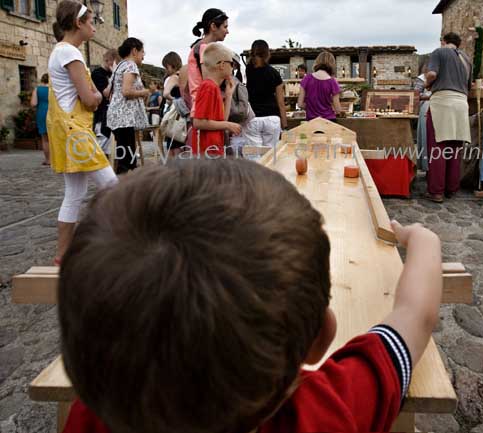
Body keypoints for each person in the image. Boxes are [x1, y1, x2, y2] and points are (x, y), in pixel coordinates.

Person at [57, 158, 443, 433]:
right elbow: (414, 315)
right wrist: (423, 239)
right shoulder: (327, 414)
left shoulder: (96, 411)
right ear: (320, 338)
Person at [47, 0, 117, 265]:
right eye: (91, 23)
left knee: (74, 194)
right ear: (78, 23)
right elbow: (89, 99)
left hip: (66, 130)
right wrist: (99, 95)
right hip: (76, 131)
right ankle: (124, 245)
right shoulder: (71, 54)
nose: (94, 28)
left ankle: (63, 255)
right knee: (113, 187)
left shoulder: (58, 51)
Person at [425, 32, 472, 203]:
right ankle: (451, 188)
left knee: (438, 147)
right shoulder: (466, 59)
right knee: (454, 147)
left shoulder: (439, 51)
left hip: (443, 102)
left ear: (444, 42)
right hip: (461, 103)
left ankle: (437, 191)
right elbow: (469, 86)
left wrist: (426, 85)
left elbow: (432, 74)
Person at [107, 37, 149, 174]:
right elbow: (126, 91)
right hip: (124, 117)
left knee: (124, 155)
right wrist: (144, 92)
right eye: (142, 52)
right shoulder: (131, 65)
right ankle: (126, 188)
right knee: (127, 160)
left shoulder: (120, 66)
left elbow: (108, 91)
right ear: (134, 51)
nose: (144, 55)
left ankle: (124, 185)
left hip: (117, 115)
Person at [192, 43, 241, 157]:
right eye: (231, 63)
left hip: (213, 150)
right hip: (206, 152)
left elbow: (222, 119)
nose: (232, 67)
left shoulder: (214, 88)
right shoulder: (208, 87)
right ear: (222, 64)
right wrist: (228, 125)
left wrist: (228, 96)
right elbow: (198, 122)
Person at [244, 40, 286, 148]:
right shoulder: (274, 74)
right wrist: (284, 124)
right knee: (271, 156)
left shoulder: (249, 70)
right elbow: (280, 102)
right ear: (267, 53)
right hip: (272, 117)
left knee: (254, 156)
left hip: (253, 118)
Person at [188, 8, 229, 114]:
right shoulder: (205, 49)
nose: (227, 31)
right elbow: (210, 82)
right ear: (213, 26)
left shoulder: (198, 47)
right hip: (207, 110)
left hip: (202, 108)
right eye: (225, 27)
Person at [91, 48, 119, 159]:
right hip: (101, 114)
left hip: (111, 114)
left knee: (110, 148)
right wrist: (114, 75)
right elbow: (106, 94)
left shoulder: (111, 73)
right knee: (100, 147)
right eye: (114, 62)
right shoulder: (97, 73)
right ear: (108, 60)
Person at [297, 51, 341, 121]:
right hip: (329, 120)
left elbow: (300, 104)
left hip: (312, 121)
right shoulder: (333, 82)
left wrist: (311, 106)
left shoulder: (306, 78)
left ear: (317, 62)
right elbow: (338, 110)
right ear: (332, 64)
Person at [161, 51, 188, 157]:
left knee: (173, 144)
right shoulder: (183, 76)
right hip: (182, 115)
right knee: (179, 144)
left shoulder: (173, 77)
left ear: (169, 65)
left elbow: (166, 94)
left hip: (173, 115)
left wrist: (174, 101)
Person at [31, 73, 50, 165]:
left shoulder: (37, 89)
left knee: (45, 138)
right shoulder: (54, 89)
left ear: (42, 80)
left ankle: (48, 160)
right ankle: (58, 159)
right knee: (56, 137)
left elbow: (33, 103)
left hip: (42, 113)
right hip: (54, 113)